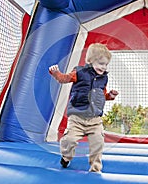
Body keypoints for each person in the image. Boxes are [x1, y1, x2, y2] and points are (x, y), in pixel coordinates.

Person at [49, 43, 118, 173]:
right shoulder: (79, 73)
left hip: (94, 120)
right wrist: (56, 73)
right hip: (77, 118)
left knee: (98, 143)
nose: (103, 67)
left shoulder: (103, 78)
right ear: (91, 61)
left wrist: (110, 96)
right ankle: (66, 157)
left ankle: (95, 170)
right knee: (69, 140)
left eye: (106, 65)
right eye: (101, 63)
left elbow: (101, 95)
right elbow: (64, 79)